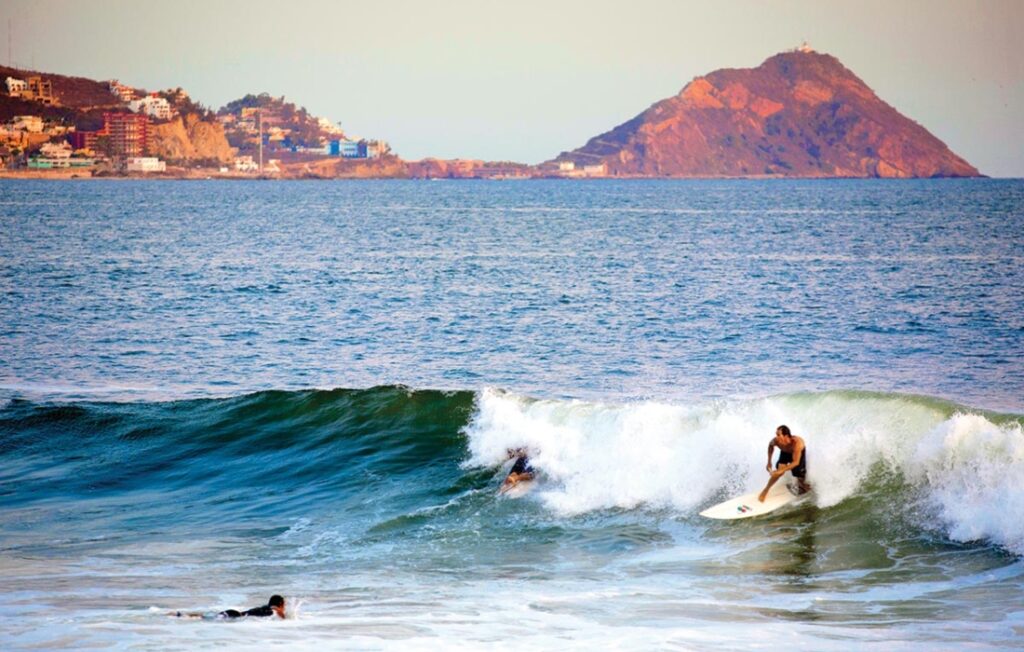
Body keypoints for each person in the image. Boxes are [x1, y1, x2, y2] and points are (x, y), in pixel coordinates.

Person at [758, 425, 810, 502]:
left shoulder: (797, 443)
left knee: (797, 471)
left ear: (786, 436)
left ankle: (803, 486)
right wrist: (769, 462)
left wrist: (782, 470)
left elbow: (796, 462)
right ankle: (765, 490)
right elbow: (770, 446)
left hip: (797, 455)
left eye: (778, 435)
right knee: (779, 472)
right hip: (785, 453)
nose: (776, 437)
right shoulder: (776, 441)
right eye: (776, 434)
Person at [170, 595, 286, 620]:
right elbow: (278, 612)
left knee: (204, 617)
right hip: (234, 615)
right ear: (280, 604)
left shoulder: (265, 608)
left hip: (234, 613)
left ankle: (179, 615)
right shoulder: (274, 610)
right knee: (205, 618)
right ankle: (180, 615)